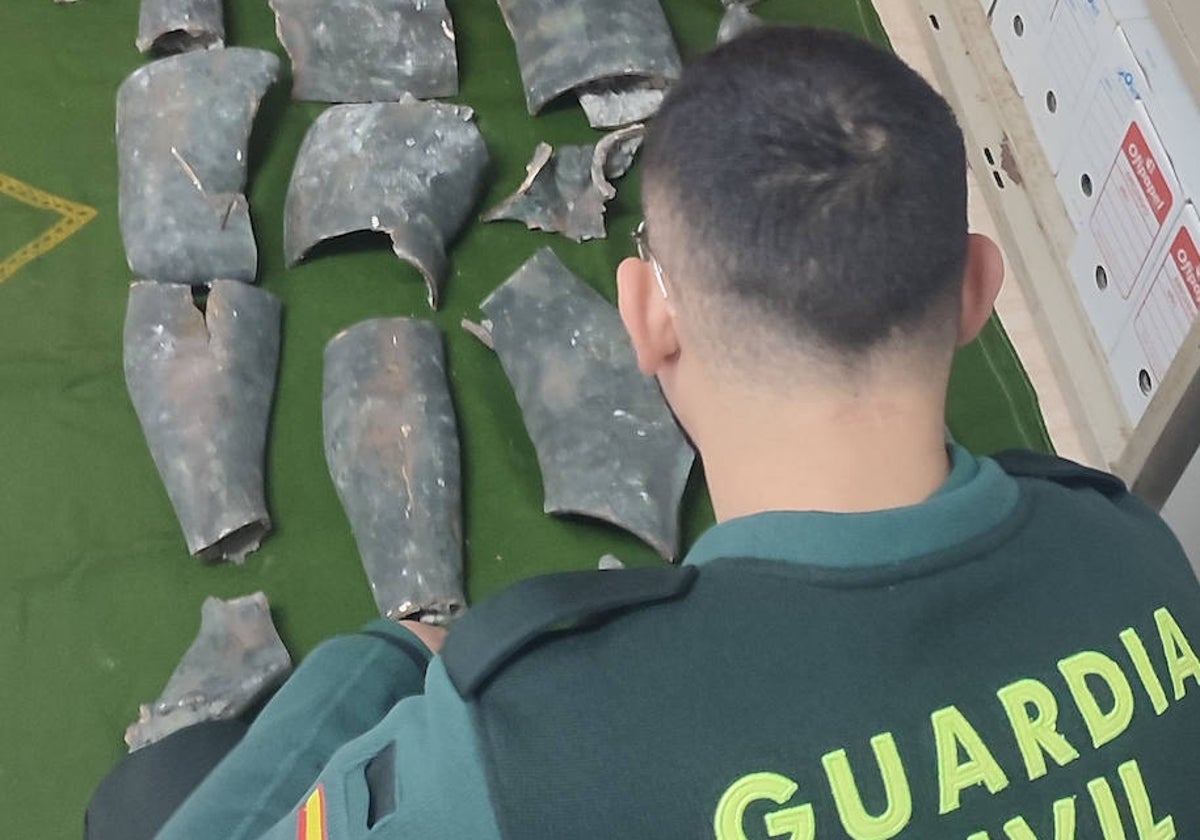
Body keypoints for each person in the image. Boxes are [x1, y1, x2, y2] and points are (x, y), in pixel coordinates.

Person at [92, 26, 1200, 840]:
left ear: (648, 316)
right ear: (977, 293)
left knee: (148, 797)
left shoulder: (527, 737)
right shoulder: (1132, 555)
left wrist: (378, 661)